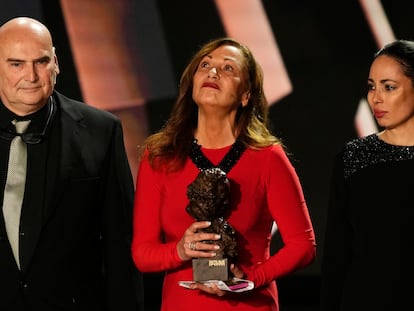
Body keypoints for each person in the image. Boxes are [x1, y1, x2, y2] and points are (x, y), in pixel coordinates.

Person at [131, 37, 316, 311]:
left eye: (228, 68)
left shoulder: (268, 157)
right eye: (205, 65)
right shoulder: (160, 156)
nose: (213, 72)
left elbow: (303, 245)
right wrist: (179, 250)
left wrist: (251, 278)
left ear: (246, 95)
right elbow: (142, 253)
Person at [0, 17, 144, 311]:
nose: (31, 75)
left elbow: (121, 241)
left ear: (56, 62)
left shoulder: (101, 130)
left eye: (41, 62)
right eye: (16, 64)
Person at [320, 39, 414, 311]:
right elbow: (336, 255)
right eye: (372, 86)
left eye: (389, 87)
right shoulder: (353, 157)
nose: (376, 98)